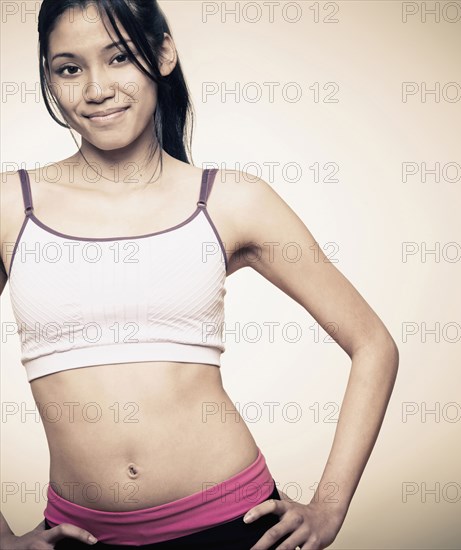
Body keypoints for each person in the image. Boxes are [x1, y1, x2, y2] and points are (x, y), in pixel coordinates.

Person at [0, 1, 399, 549]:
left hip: (232, 528)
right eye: (69, 68)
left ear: (163, 53)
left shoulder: (232, 200)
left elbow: (373, 343)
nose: (96, 89)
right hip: (78, 537)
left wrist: (329, 506)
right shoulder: (10, 205)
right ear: (49, 77)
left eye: (118, 57)